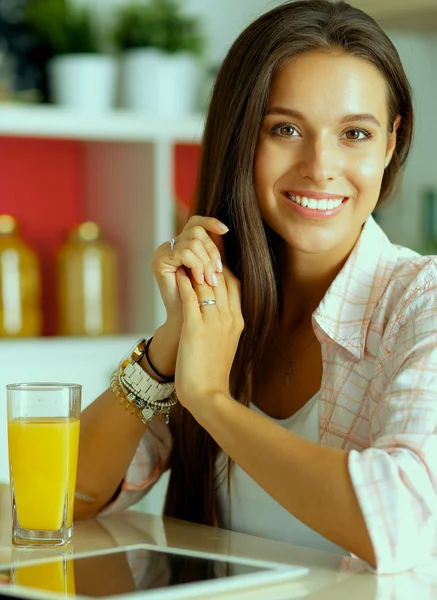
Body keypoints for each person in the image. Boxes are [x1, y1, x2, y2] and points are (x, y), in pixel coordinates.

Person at [74, 0, 437, 575]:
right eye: (285, 129)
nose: (321, 167)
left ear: (390, 144)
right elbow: (65, 500)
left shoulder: (421, 303)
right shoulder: (224, 305)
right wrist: (173, 341)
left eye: (354, 133)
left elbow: (399, 519)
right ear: (242, 137)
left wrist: (212, 402)